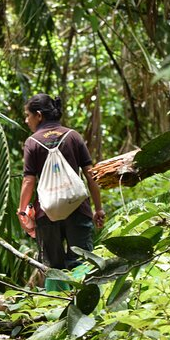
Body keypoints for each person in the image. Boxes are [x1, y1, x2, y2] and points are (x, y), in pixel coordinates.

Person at [18, 94, 105, 274]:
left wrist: (22, 211)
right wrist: (98, 208)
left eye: (28, 115)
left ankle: (55, 301)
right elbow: (91, 175)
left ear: (39, 115)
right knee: (83, 263)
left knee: (51, 268)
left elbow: (28, 180)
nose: (26, 120)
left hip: (47, 213)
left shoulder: (32, 142)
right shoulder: (73, 136)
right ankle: (82, 300)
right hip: (78, 209)